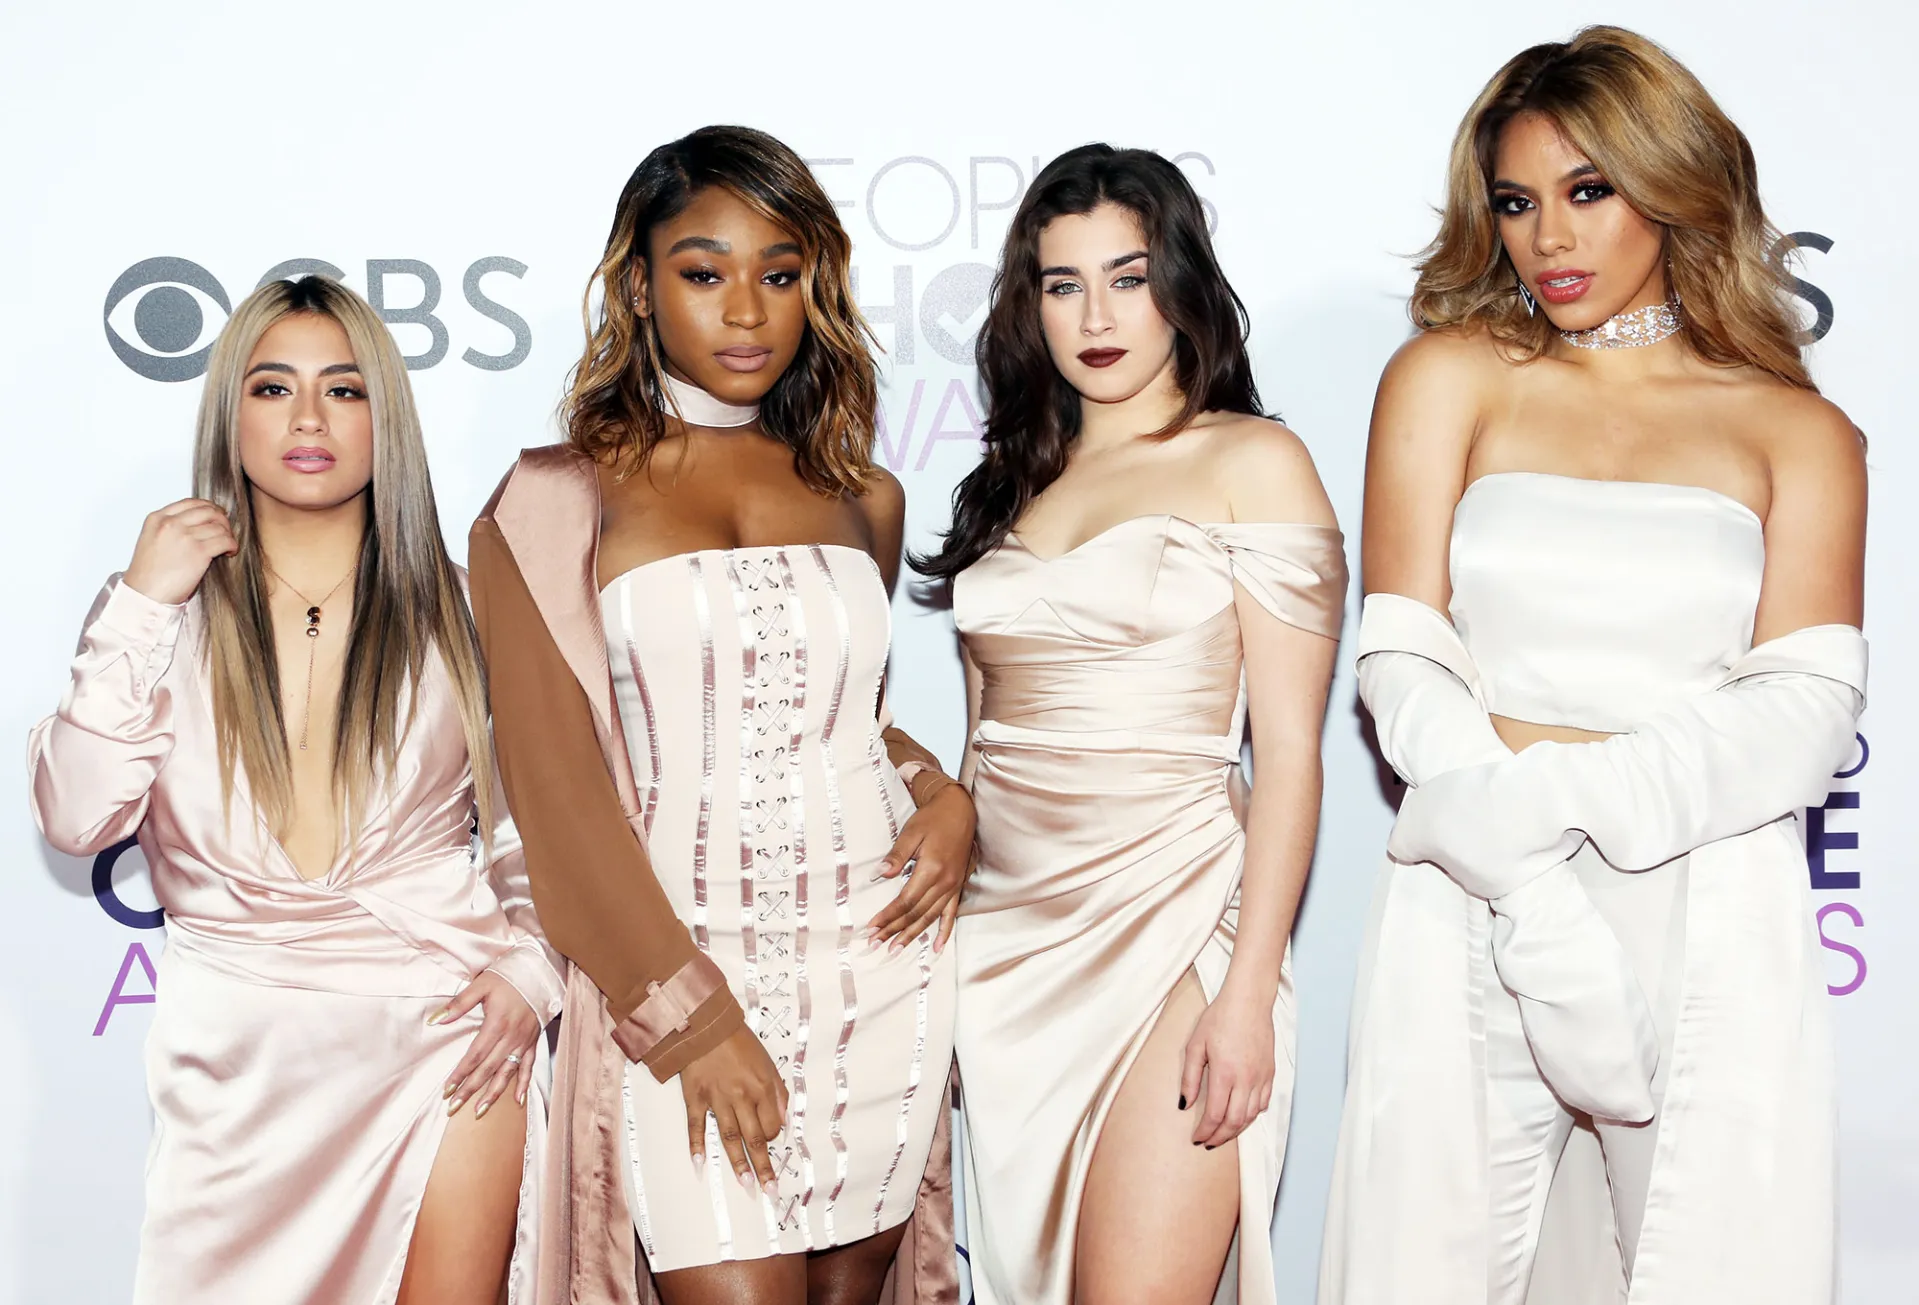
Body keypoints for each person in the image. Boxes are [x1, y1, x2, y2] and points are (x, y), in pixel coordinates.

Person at [1319, 26, 1866, 1305]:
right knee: (1418, 1271)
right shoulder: (1446, 378)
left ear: (1670, 188)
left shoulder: (1795, 431)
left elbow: (1801, 713)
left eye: (1586, 190)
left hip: (1705, 904)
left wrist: (1552, 799)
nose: (1547, 238)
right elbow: (1401, 654)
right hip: (1469, 897)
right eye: (1515, 202)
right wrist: (1524, 874)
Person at [469, 125, 972, 1305]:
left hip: (879, 966)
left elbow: (846, 721)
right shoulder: (552, 498)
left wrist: (944, 797)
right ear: (639, 288)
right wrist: (691, 1023)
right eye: (704, 272)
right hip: (681, 971)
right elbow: (555, 794)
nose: (746, 310)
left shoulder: (864, 494)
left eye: (779, 274)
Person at [28, 275, 562, 1304]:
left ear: (383, 417)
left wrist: (530, 969)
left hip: (445, 1033)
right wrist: (142, 602)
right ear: (229, 415)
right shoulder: (156, 612)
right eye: (273, 388)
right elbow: (76, 815)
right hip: (237, 1065)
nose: (309, 418)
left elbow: (536, 825)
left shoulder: (467, 608)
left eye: (344, 389)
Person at [918, 144, 1346, 1305]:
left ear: (1181, 284)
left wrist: (1246, 994)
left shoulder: (1252, 461)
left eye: (1128, 276)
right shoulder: (1007, 484)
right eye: (1063, 285)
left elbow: (1289, 755)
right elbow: (980, 753)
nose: (1096, 317)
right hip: (1005, 956)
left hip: (1177, 931)